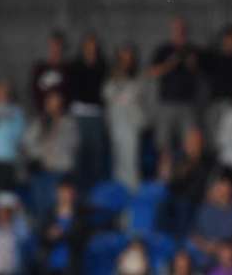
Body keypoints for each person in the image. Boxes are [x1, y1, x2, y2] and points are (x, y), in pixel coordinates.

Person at [23, 90, 79, 221]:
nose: (53, 106)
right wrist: (38, 154)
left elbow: (73, 144)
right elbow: (27, 142)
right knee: (39, 206)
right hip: (40, 171)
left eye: (56, 103)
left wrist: (56, 127)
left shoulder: (68, 123)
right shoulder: (38, 122)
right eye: (50, 103)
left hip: (59, 171)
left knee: (55, 207)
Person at [150, 17, 202, 156]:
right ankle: (164, 175)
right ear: (172, 30)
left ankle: (188, 175)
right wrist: (170, 63)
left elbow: (202, 74)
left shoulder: (193, 50)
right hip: (166, 103)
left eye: (182, 28)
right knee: (163, 145)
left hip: (188, 104)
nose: (179, 31)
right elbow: (153, 72)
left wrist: (192, 64)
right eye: (176, 28)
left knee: (191, 144)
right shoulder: (163, 49)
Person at [66, 32, 109, 191]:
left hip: (96, 114)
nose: (91, 48)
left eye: (93, 45)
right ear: (83, 47)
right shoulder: (75, 65)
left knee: (96, 155)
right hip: (79, 113)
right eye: (88, 45)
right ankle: (78, 191)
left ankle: (95, 191)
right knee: (79, 154)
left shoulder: (103, 65)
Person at [103, 43, 147, 190]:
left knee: (131, 163)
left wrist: (124, 96)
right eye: (122, 58)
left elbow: (136, 97)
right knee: (118, 163)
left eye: (129, 58)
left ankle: (132, 199)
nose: (125, 61)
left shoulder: (138, 79)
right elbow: (107, 95)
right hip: (116, 125)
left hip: (132, 126)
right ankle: (119, 200)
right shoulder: (111, 79)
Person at [35, 179, 91, 275]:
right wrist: (49, 235)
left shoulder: (80, 216)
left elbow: (83, 240)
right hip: (50, 267)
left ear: (74, 194)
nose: (65, 195)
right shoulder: (49, 214)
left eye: (68, 192)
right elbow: (39, 237)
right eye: (62, 192)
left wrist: (63, 234)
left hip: (71, 267)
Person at [30, 31, 69, 116]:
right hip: (42, 114)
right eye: (52, 45)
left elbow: (69, 93)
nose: (54, 48)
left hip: (62, 116)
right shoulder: (39, 68)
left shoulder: (68, 69)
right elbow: (34, 91)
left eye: (57, 45)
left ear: (62, 47)